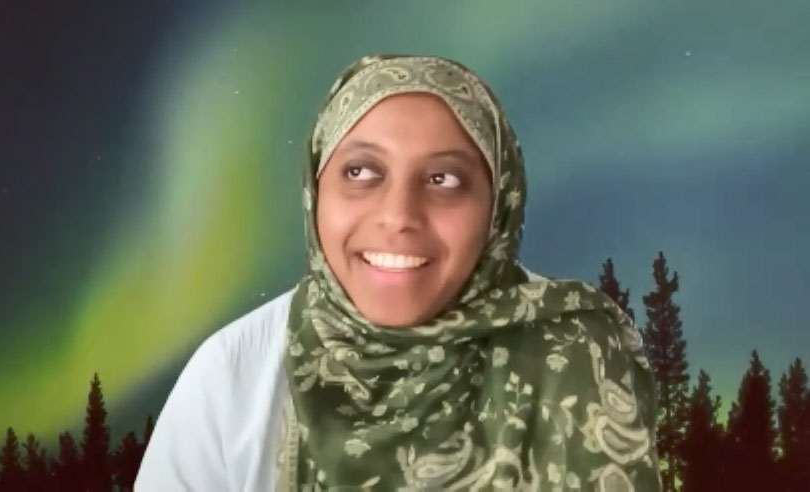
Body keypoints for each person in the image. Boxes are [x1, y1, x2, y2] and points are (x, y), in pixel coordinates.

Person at [136, 54, 661, 491]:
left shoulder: (577, 353)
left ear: (498, 205)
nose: (399, 216)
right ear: (316, 191)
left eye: (443, 179)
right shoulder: (234, 377)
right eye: (361, 172)